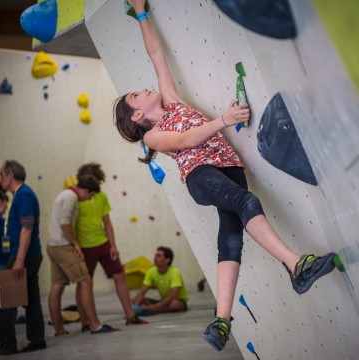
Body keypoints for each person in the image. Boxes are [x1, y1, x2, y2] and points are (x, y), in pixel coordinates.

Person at [113, 0, 336, 351]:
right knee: (246, 202)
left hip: (228, 167)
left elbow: (156, 53)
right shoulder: (153, 136)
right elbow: (186, 140)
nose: (143, 87)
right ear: (138, 112)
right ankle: (296, 265)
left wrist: (141, 13)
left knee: (230, 236)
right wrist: (223, 121)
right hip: (201, 176)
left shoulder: (171, 101)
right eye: (136, 94)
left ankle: (221, 320)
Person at [75, 162, 147, 326]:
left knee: (119, 275)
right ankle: (86, 322)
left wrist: (113, 245)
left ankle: (130, 316)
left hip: (103, 243)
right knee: (85, 283)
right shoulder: (76, 197)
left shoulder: (101, 196)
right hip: (84, 246)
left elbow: (107, 222)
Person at [47, 175, 117, 336]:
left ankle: (59, 329)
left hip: (52, 245)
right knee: (85, 281)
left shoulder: (64, 194)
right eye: (89, 196)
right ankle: (95, 325)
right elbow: (64, 224)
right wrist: (75, 243)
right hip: (63, 246)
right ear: (85, 191)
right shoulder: (71, 197)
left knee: (57, 287)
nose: (87, 199)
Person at [0, 160, 46, 354]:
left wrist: (18, 259)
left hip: (24, 255)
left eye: (1, 175)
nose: (0, 180)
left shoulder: (24, 194)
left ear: (10, 176)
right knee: (32, 300)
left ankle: (8, 344)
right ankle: (37, 340)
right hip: (28, 254)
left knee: (6, 301)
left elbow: (27, 227)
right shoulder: (19, 195)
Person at [132, 246, 188, 315]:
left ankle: (153, 309)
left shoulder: (174, 272)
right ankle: (156, 309)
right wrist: (136, 306)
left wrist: (156, 306)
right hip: (163, 301)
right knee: (137, 299)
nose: (155, 257)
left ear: (167, 260)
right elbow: (143, 290)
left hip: (178, 301)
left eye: (159, 256)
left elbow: (174, 295)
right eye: (155, 255)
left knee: (174, 304)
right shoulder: (151, 271)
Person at [0, 187, 9, 270]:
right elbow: (6, 246)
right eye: (5, 203)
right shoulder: (2, 222)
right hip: (2, 262)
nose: (7, 207)